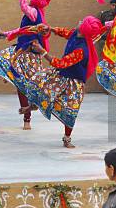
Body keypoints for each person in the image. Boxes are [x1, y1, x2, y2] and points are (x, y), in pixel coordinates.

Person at [19, 16, 104, 148]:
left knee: (70, 110)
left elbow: (60, 63)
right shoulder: (76, 33)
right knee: (39, 84)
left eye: (82, 21)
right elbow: (64, 32)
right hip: (62, 75)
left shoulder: (81, 50)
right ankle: (33, 106)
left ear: (84, 28)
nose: (79, 21)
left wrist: (42, 51)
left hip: (74, 83)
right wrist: (50, 28)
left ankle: (67, 138)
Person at [0, 0, 51, 130]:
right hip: (21, 52)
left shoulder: (34, 13)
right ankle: (27, 117)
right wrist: (4, 33)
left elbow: (23, 6)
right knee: (20, 84)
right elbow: (21, 30)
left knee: (27, 84)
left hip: (28, 55)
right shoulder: (35, 16)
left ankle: (29, 112)